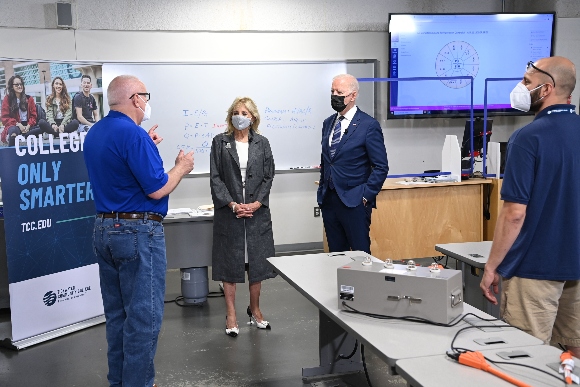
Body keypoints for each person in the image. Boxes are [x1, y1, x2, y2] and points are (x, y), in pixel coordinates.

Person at [83, 75, 194, 387]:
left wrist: (146, 145)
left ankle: (120, 382)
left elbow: (121, 171)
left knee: (119, 317)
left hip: (104, 230)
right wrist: (182, 167)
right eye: (145, 95)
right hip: (137, 233)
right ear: (135, 99)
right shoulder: (133, 136)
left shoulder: (98, 132)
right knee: (144, 319)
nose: (147, 102)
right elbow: (158, 188)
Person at [480, 56, 580, 358]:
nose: (521, 87)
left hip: (534, 269)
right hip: (575, 265)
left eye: (526, 82)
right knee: (573, 349)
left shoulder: (527, 138)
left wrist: (492, 266)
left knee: (527, 356)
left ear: (546, 88)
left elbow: (514, 214)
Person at [210, 96, 276, 337]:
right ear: (231, 116)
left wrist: (257, 203)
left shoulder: (263, 143)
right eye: (237, 112)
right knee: (229, 262)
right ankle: (231, 314)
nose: (240, 116)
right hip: (230, 214)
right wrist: (233, 204)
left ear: (253, 117)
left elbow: (269, 176)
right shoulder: (220, 143)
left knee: (256, 263)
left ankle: (255, 310)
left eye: (245, 113)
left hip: (257, 214)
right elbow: (216, 177)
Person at [317, 74, 389, 254]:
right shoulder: (328, 123)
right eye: (332, 91)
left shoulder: (368, 125)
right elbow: (327, 161)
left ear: (353, 95)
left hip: (355, 201)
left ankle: (365, 284)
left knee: (360, 254)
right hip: (330, 200)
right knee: (336, 254)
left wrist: (365, 196)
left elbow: (381, 166)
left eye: (339, 92)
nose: (334, 95)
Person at [1, 75, 40, 146]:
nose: (19, 86)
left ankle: (26, 134)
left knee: (41, 128)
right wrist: (18, 124)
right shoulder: (7, 99)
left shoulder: (29, 99)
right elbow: (5, 117)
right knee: (13, 132)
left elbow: (33, 116)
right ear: (12, 87)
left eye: (21, 84)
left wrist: (28, 126)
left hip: (28, 126)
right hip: (14, 125)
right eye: (16, 85)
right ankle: (12, 154)